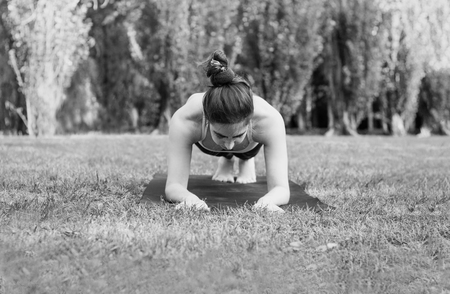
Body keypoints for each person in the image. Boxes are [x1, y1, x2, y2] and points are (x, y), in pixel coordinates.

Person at [165, 50, 290, 212]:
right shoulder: (186, 119)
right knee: (225, 149)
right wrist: (189, 199)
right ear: (206, 118)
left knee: (243, 151)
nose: (229, 145)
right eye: (221, 134)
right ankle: (226, 159)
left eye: (237, 135)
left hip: (249, 146)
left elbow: (281, 188)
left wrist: (267, 201)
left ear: (250, 120)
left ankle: (245, 159)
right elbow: (173, 186)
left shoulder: (269, 120)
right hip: (208, 145)